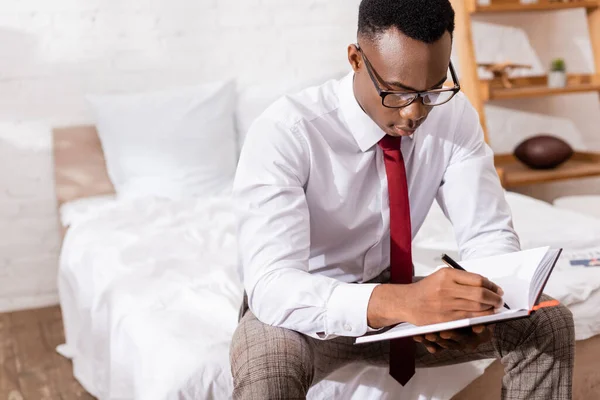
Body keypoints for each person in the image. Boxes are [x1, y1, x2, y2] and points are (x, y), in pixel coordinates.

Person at [229, 0, 575, 398]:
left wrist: (472, 307)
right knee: (268, 365)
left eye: (431, 90)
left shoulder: (454, 117)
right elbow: (273, 286)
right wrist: (404, 302)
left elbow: (488, 235)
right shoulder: (286, 132)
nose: (415, 113)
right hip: (302, 311)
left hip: (402, 304)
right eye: (397, 92)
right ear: (356, 60)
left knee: (547, 323)